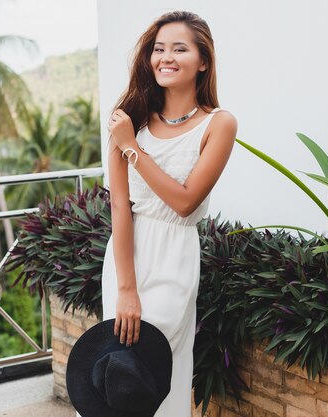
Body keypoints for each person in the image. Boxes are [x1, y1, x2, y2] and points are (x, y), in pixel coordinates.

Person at [91, 10, 237, 417]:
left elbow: (186, 201)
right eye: (158, 49)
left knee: (161, 370)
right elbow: (121, 206)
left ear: (202, 60)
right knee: (125, 373)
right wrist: (125, 288)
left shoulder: (218, 124)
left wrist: (131, 150)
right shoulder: (130, 121)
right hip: (126, 260)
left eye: (179, 48)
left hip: (174, 255)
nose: (165, 57)